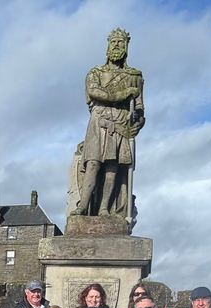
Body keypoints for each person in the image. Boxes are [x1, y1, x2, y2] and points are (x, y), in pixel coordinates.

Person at [72, 27, 145, 218]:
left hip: (121, 124)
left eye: (121, 43)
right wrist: (124, 93)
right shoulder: (95, 72)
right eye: (113, 43)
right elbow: (96, 93)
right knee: (93, 164)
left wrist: (138, 121)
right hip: (99, 122)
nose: (117, 46)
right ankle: (83, 206)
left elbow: (139, 108)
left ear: (126, 47)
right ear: (107, 46)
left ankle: (104, 208)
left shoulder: (134, 77)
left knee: (112, 167)